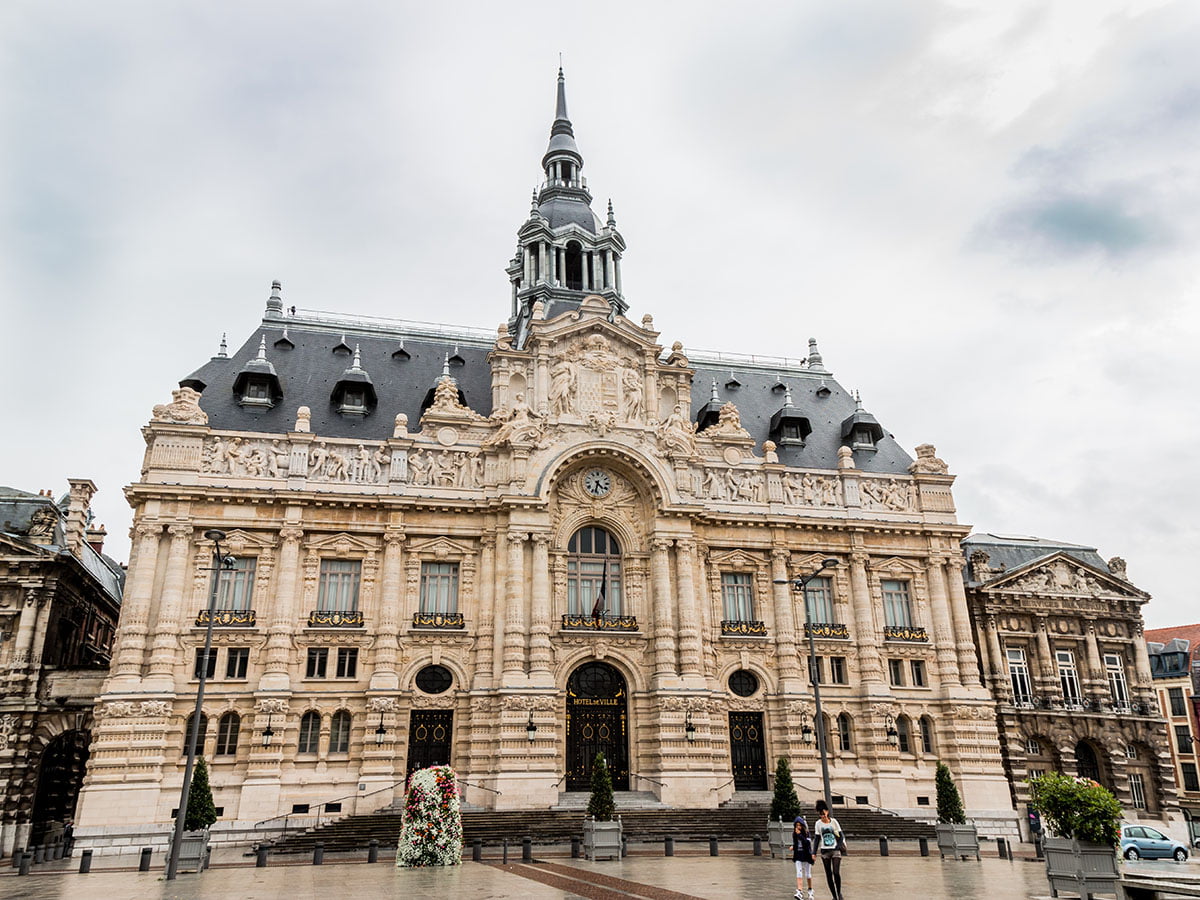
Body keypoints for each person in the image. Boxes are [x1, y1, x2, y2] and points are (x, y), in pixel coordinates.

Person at [813, 799, 845, 900]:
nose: (822, 816)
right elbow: (817, 839)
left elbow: (841, 836)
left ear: (827, 811)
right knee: (828, 874)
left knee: (836, 872)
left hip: (835, 850)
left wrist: (838, 846)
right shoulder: (818, 824)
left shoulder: (834, 822)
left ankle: (839, 893)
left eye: (823, 813)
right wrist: (813, 853)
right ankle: (834, 896)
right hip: (825, 851)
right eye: (820, 814)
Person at [792, 815, 815, 900]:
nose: (798, 827)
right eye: (797, 825)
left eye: (800, 825)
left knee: (808, 874)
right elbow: (796, 844)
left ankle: (810, 890)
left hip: (806, 855)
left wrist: (800, 836)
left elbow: (807, 844)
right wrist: (793, 847)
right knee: (799, 872)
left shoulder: (807, 833)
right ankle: (799, 891)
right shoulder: (794, 834)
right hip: (798, 855)